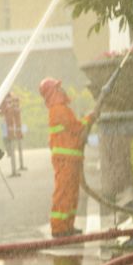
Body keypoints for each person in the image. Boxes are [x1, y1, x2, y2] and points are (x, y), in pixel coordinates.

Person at [40, 77, 92, 238]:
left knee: (71, 193)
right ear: (53, 92)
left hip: (70, 159)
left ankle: (67, 225)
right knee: (63, 192)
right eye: (58, 88)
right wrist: (90, 117)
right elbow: (76, 127)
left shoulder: (62, 109)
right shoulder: (59, 110)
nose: (62, 90)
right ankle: (59, 228)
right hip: (65, 160)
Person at [0, 91, 26, 176]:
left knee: (6, 139)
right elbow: (18, 109)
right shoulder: (14, 98)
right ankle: (10, 152)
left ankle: (9, 152)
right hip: (14, 124)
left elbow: (1, 112)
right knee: (9, 139)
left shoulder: (4, 100)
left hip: (7, 123)